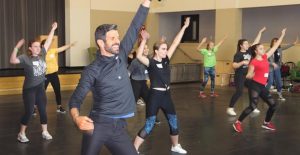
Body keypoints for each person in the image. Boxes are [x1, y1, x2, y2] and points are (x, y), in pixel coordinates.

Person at [68, 1, 151, 155]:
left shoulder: (121, 55)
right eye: (112, 38)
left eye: (118, 37)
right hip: (97, 126)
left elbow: (135, 25)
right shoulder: (92, 70)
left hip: (118, 127)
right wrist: (76, 118)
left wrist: (147, 2)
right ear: (101, 42)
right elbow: (76, 99)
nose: (117, 41)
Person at [133, 17, 190, 154]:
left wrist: (184, 27)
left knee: (173, 122)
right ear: (156, 51)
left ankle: (175, 146)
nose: (166, 51)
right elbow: (139, 55)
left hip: (167, 96)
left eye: (166, 49)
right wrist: (144, 39)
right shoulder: (150, 63)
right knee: (149, 125)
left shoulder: (166, 60)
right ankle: (133, 149)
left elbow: (176, 43)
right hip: (155, 96)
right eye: (163, 49)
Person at [10, 22, 57, 143]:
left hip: (40, 88)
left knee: (42, 110)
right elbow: (13, 60)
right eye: (35, 46)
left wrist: (53, 29)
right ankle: (21, 133)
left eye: (39, 46)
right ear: (30, 48)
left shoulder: (42, 55)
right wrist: (16, 47)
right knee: (30, 111)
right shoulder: (25, 58)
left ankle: (45, 131)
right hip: (29, 89)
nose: (38, 48)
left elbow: (48, 41)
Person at [233, 28, 287, 133]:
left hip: (262, 86)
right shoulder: (253, 62)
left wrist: (282, 35)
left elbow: (275, 46)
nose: (263, 50)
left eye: (263, 48)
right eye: (261, 49)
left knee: (273, 105)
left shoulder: (265, 57)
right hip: (255, 85)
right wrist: (251, 73)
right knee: (253, 106)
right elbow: (249, 75)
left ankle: (266, 123)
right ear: (256, 51)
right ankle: (238, 122)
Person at [226, 27, 266, 116]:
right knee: (239, 91)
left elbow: (255, 42)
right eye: (246, 43)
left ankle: (253, 106)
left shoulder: (249, 51)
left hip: (248, 75)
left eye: (248, 43)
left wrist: (260, 32)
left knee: (253, 89)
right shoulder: (238, 54)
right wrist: (243, 62)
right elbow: (234, 65)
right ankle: (230, 108)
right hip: (240, 75)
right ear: (241, 45)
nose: (248, 45)